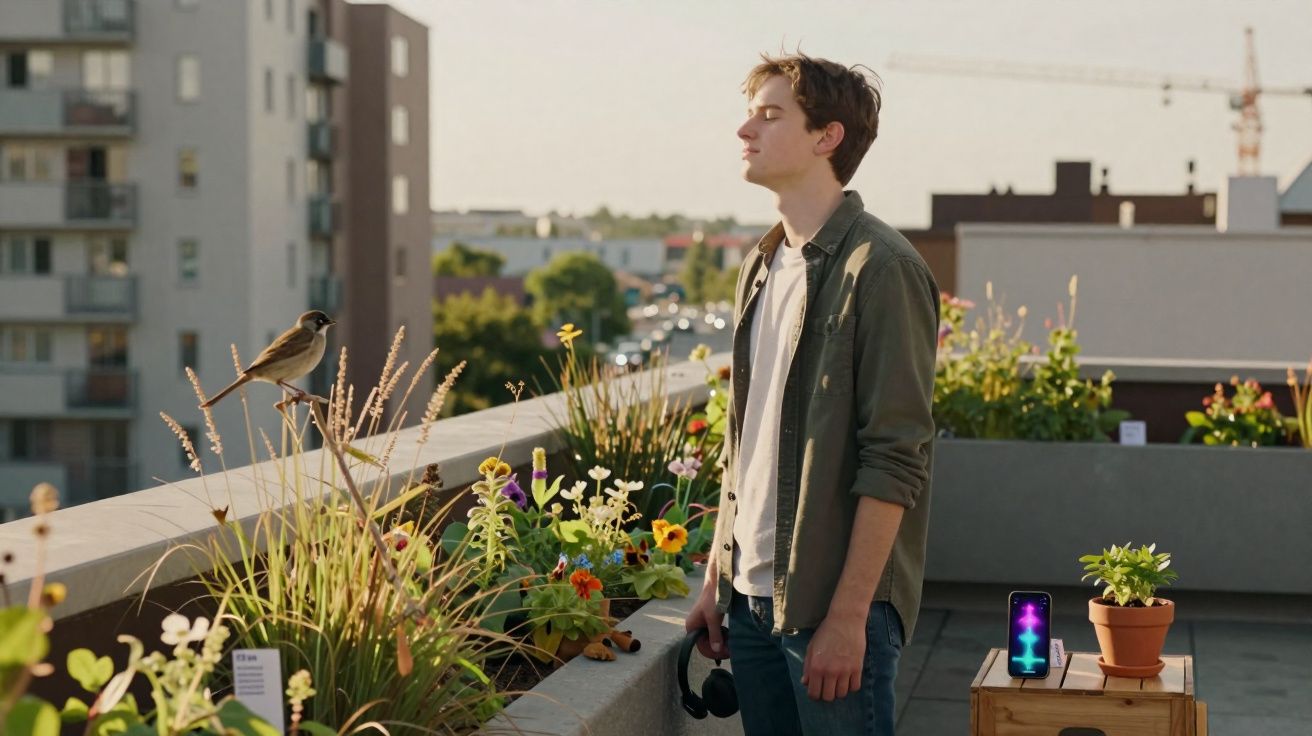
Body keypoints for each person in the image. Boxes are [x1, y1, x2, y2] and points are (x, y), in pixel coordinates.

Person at [684, 52, 940, 735]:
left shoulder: (881, 268)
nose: (745, 129)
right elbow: (746, 442)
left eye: (770, 115)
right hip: (749, 605)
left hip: (830, 611)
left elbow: (895, 458)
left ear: (828, 137)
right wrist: (717, 580)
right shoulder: (761, 266)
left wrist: (850, 617)